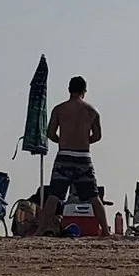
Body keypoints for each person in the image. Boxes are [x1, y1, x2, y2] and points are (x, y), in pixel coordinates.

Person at [48, 76, 102, 205]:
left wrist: (63, 140)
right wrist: (83, 140)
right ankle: (103, 220)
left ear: (69, 89)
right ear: (84, 91)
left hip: (64, 155)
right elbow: (97, 136)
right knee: (94, 197)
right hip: (83, 156)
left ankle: (44, 220)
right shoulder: (92, 111)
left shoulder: (59, 109)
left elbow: (50, 133)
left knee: (54, 196)